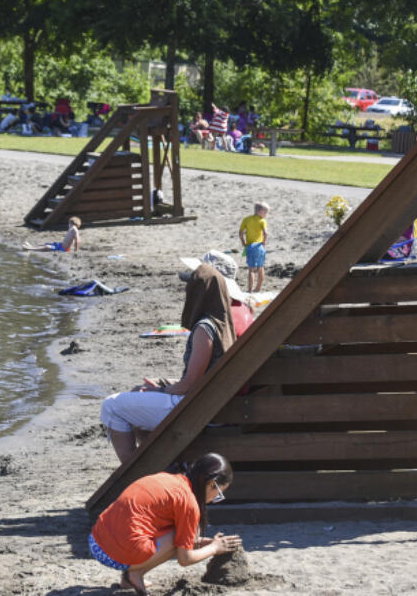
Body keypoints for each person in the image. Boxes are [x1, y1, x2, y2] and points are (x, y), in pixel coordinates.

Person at [100, 263, 235, 463]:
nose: (186, 290)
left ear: (199, 292)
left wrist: (160, 391)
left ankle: (132, 473)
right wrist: (163, 383)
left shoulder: (205, 329)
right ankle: (157, 462)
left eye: (190, 286)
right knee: (138, 393)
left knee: (112, 406)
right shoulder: (224, 325)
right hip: (208, 403)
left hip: (198, 408)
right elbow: (201, 377)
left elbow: (189, 384)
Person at [89, 453, 242, 595]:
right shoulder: (189, 502)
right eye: (219, 494)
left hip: (96, 541)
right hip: (113, 554)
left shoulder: (168, 479)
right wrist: (214, 548)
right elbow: (185, 559)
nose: (215, 499)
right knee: (181, 537)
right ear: (211, 484)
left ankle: (130, 577)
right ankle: (135, 574)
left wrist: (202, 543)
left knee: (183, 535)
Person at [238, 202, 270, 293]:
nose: (266, 215)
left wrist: (243, 242)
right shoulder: (262, 221)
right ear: (260, 211)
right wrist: (264, 242)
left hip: (250, 246)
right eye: (266, 212)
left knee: (251, 270)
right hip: (259, 246)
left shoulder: (246, 219)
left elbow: (240, 232)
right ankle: (258, 288)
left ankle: (249, 290)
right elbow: (265, 232)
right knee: (261, 267)